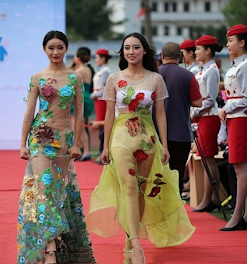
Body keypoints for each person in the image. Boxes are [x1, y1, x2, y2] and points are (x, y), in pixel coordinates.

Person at [86, 33, 195, 264]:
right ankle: (136, 244)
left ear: (144, 51)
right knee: (128, 186)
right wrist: (104, 146)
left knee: (141, 189)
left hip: (147, 139)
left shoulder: (155, 78)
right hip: (120, 136)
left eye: (136, 47)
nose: (131, 51)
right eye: (127, 48)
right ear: (122, 52)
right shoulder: (114, 79)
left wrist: (165, 145)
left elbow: (161, 115)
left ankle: (129, 235)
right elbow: (108, 113)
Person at [17, 30, 96, 264]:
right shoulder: (37, 77)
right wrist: (22, 144)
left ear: (66, 49)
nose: (55, 52)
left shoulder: (75, 78)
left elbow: (79, 114)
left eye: (60, 47)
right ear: (44, 50)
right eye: (51, 47)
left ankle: (58, 248)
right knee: (45, 192)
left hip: (64, 140)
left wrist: (77, 144)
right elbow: (29, 112)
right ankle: (50, 251)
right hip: (40, 138)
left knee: (59, 194)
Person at [218, 24, 247, 231]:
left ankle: (237, 215)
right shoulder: (237, 65)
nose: (228, 44)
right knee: (246, 169)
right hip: (237, 118)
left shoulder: (246, 66)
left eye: (231, 40)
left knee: (241, 169)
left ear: (242, 43)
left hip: (241, 118)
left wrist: (227, 106)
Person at [155, 42, 202, 194]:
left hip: (155, 131)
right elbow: (198, 102)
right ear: (180, 57)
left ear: (162, 56)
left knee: (156, 174)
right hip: (180, 132)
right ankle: (175, 209)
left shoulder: (154, 74)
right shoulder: (188, 75)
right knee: (177, 173)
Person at [190, 35, 223, 212]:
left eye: (198, 49)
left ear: (208, 51)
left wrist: (194, 113)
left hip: (208, 117)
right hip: (203, 117)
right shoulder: (204, 70)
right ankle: (210, 198)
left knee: (208, 159)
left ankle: (209, 199)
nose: (195, 52)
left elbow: (210, 99)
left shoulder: (211, 70)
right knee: (205, 159)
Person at [90, 48, 112, 164]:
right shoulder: (102, 70)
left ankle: (103, 153)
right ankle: (101, 153)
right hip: (98, 100)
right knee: (101, 127)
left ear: (103, 58)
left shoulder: (105, 71)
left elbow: (105, 89)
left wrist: (94, 94)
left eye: (97, 57)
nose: (96, 60)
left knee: (103, 126)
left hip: (102, 100)